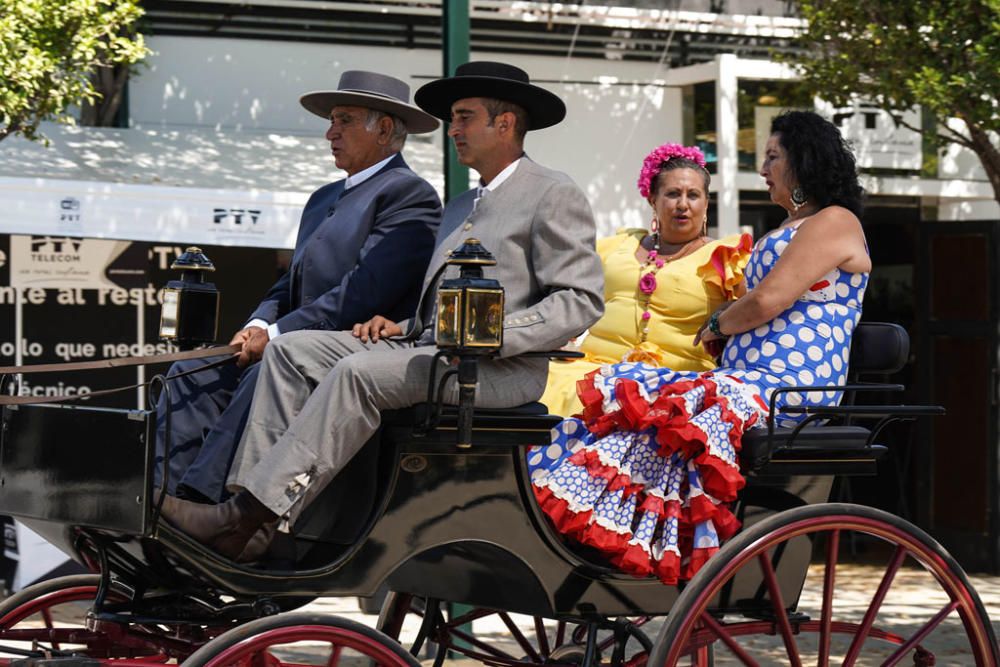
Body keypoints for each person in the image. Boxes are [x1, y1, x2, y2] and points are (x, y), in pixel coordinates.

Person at [160, 61, 605, 562]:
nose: (452, 130)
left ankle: (249, 517)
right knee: (292, 351)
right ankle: (249, 512)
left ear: (505, 125)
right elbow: (440, 308)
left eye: (463, 117)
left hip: (500, 369)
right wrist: (404, 324)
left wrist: (487, 335)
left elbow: (581, 300)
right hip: (434, 351)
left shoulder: (552, 191)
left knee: (356, 373)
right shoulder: (460, 205)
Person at [530, 110, 870, 586]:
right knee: (626, 391)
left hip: (788, 386)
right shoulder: (793, 225)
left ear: (803, 161)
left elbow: (768, 300)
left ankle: (654, 537)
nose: (764, 168)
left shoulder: (834, 221)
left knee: (668, 406)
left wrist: (717, 324)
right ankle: (607, 525)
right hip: (746, 380)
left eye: (773, 157)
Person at [154, 71, 443, 504]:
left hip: (343, 352)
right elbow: (292, 281)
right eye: (331, 121)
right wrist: (256, 324)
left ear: (383, 128)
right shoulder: (323, 197)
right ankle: (159, 497)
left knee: (262, 375)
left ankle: (206, 505)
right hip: (288, 341)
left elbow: (362, 292)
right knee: (188, 375)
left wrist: (274, 336)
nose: (330, 133)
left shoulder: (409, 194)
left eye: (344, 120)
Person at [539, 143, 751, 418]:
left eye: (693, 195)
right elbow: (572, 300)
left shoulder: (725, 257)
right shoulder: (616, 246)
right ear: (653, 200)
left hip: (676, 381)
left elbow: (752, 311)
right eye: (672, 194)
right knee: (545, 386)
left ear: (706, 203)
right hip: (593, 370)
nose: (683, 205)